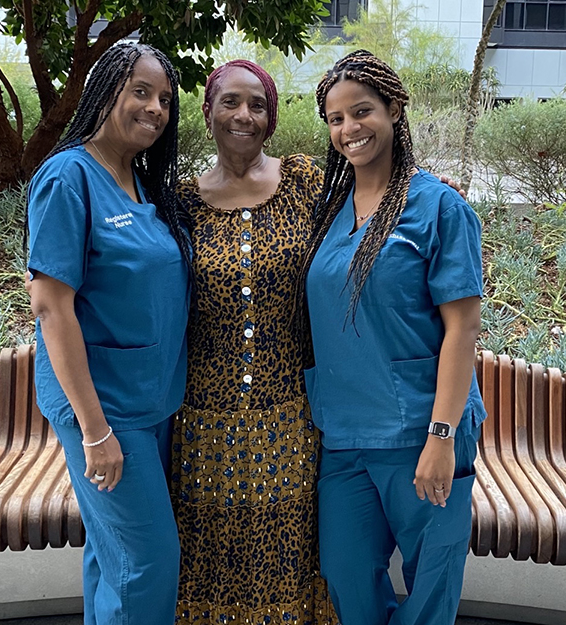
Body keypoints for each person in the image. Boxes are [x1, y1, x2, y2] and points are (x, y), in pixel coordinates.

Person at [301, 50, 487, 625]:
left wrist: (441, 436)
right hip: (344, 437)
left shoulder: (439, 207)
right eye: (335, 119)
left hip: (418, 434)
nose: (349, 129)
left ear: (395, 109)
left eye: (362, 112)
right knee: (347, 576)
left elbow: (463, 327)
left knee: (430, 592)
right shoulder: (330, 208)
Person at [26, 42, 193, 625]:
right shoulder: (68, 177)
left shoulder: (144, 183)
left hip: (154, 402)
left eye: (165, 99)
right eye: (140, 92)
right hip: (106, 411)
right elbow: (51, 308)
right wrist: (95, 431)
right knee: (150, 561)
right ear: (104, 92)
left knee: (113, 552)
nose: (154, 109)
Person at [169, 59, 338, 625]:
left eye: (257, 105)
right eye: (230, 103)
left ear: (271, 117)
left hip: (289, 413)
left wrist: (430, 187)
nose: (244, 115)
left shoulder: (307, 182)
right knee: (208, 553)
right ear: (207, 112)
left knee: (288, 547)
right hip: (204, 418)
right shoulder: (177, 202)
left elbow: (379, 186)